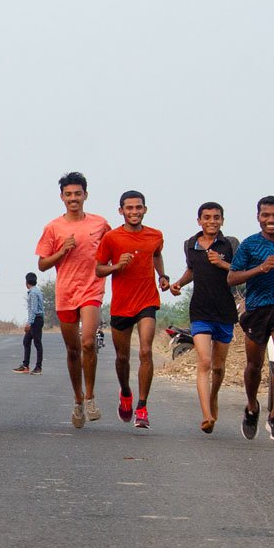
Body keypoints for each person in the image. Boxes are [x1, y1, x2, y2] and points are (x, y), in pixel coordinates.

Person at [35, 172, 111, 429]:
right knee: (73, 350)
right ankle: (77, 399)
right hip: (65, 293)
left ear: (85, 195)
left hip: (91, 290)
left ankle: (90, 396)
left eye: (77, 193)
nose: (73, 198)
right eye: (68, 194)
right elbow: (43, 264)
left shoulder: (100, 224)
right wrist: (62, 250)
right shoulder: (53, 227)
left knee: (88, 342)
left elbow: (113, 247)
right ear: (62, 197)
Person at [227, 196, 274, 442]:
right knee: (254, 365)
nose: (271, 220)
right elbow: (232, 277)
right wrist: (261, 268)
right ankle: (252, 407)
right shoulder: (250, 245)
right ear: (258, 217)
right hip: (257, 309)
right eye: (266, 215)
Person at [94, 191, 169, 430]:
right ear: (121, 211)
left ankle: (143, 406)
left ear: (145, 209)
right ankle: (125, 392)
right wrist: (117, 265)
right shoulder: (112, 238)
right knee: (122, 357)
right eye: (129, 208)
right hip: (122, 305)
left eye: (138, 208)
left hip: (147, 300)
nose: (134, 212)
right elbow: (98, 269)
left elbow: (156, 255)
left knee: (145, 351)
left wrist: (162, 276)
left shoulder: (155, 235)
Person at [169, 203, 240, 433]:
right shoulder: (191, 244)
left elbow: (240, 272)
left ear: (222, 220)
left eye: (216, 217)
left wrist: (222, 264)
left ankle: (214, 397)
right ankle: (207, 414)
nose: (212, 221)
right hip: (200, 311)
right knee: (205, 362)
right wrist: (179, 283)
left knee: (219, 368)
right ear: (199, 220)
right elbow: (192, 270)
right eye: (207, 217)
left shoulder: (230, 244)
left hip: (225, 312)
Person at [15, 273, 44, 375]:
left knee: (37, 343)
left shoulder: (33, 293)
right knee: (26, 341)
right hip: (38, 319)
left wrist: (29, 323)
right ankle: (25, 365)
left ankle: (38, 367)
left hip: (35, 320)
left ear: (26, 282)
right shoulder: (38, 291)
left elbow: (34, 310)